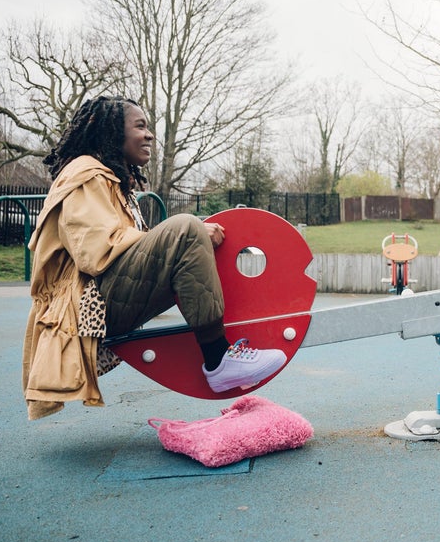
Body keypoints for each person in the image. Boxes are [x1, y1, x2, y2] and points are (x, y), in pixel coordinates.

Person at [22, 96, 286, 420]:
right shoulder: (85, 176)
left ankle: (222, 351)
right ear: (113, 132)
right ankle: (218, 359)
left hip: (105, 296)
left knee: (188, 234)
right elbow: (96, 252)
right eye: (140, 126)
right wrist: (190, 234)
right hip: (87, 305)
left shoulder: (111, 179)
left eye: (149, 127)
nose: (149, 135)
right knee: (187, 228)